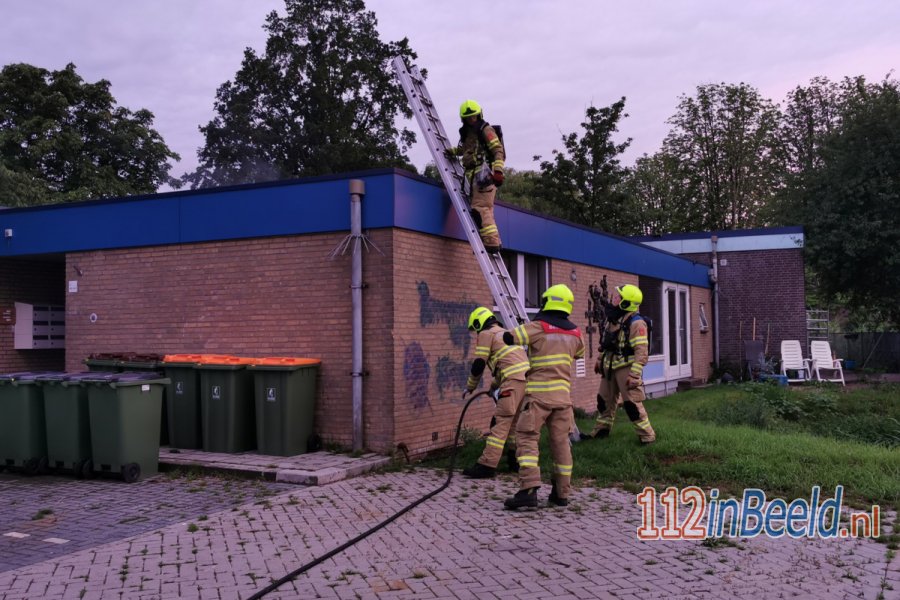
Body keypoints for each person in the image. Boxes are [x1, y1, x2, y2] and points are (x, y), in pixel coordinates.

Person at [502, 284, 585, 510]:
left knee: (527, 437)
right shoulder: (576, 332)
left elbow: (510, 338)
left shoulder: (538, 327)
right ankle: (561, 494)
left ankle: (528, 489)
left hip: (538, 396)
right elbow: (579, 353)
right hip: (563, 399)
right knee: (561, 444)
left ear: (548, 300)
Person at [461, 307, 530, 478]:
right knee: (514, 425)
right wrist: (493, 386)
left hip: (513, 383)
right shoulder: (504, 333)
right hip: (527, 383)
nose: (475, 333)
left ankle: (487, 465)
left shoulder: (486, 334)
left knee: (500, 424)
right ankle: (514, 462)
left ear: (478, 323)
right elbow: (507, 366)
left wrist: (470, 387)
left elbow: (479, 364)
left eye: (474, 329)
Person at [585, 284, 656, 445]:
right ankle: (601, 432)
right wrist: (599, 360)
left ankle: (647, 436)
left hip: (626, 369)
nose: (614, 299)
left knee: (632, 405)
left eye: (618, 297)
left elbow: (641, 351)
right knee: (604, 401)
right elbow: (607, 343)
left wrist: (634, 375)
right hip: (609, 366)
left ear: (626, 303)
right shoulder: (614, 320)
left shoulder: (636, 323)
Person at [444, 100, 505, 253]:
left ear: (479, 115)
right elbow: (465, 150)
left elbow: (498, 150)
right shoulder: (468, 133)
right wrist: (451, 151)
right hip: (473, 176)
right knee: (485, 209)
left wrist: (498, 171)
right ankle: (493, 241)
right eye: (469, 118)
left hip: (484, 174)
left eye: (474, 117)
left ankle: (491, 244)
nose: (472, 120)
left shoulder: (485, 130)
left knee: (480, 209)